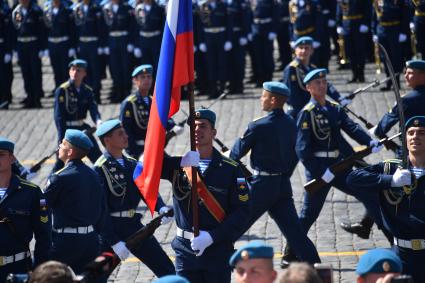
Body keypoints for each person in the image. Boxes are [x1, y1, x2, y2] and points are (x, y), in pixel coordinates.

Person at [283, 69, 383, 265]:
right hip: (320, 170)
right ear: (308, 88)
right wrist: (322, 172)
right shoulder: (307, 113)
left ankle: (366, 225)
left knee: (369, 192)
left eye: (324, 82)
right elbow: (302, 150)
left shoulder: (334, 108)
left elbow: (351, 127)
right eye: (317, 83)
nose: (322, 85)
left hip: (340, 166)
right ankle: (289, 252)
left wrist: (369, 142)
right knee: (307, 215)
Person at [230, 81, 321, 267]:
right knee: (295, 233)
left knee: (236, 224)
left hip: (261, 186)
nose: (261, 100)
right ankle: (317, 268)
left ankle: (214, 257)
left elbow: (235, 154)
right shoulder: (291, 124)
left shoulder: (258, 126)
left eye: (263, 96)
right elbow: (297, 154)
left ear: (272, 100)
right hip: (282, 185)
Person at [160, 109, 250, 282]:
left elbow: (242, 212)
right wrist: (168, 137)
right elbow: (147, 164)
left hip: (217, 250)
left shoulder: (231, 168)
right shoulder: (178, 166)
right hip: (185, 251)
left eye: (202, 126)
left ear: (213, 132)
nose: (196, 131)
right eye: (193, 127)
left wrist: (212, 237)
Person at [342, 59, 425, 237]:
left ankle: (389, 226)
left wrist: (378, 132)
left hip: (410, 150)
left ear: (422, 76)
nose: (406, 75)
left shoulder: (408, 99)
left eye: (410, 72)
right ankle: (366, 223)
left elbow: (384, 126)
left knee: (392, 187)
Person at [347, 116, 425, 282]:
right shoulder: (391, 168)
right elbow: (353, 179)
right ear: (404, 139)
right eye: (410, 133)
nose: (415, 136)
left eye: (421, 133)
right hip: (400, 255)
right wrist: (390, 180)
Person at [93, 119, 175, 278]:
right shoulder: (99, 168)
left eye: (124, 132)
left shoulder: (132, 164)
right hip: (111, 228)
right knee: (97, 277)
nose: (126, 136)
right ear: (107, 140)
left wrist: (160, 207)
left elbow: (145, 188)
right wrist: (113, 241)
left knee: (166, 268)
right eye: (120, 134)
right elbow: (99, 210)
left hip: (133, 226)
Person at [44, 129, 105, 274]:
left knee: (48, 276)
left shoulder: (59, 177)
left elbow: (43, 207)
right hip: (91, 239)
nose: (59, 146)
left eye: (63, 144)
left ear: (70, 152)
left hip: (65, 241)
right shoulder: (93, 174)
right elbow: (102, 208)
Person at [0, 137, 51, 282]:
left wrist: (40, 269)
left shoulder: (31, 192)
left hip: (19, 267)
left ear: (12, 158)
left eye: (1, 154)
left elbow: (44, 235)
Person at [120, 64, 182, 159]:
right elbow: (126, 131)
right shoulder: (129, 103)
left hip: (153, 147)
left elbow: (163, 117)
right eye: (142, 77)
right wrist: (135, 153)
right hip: (138, 149)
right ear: (135, 80)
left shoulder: (153, 101)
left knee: (172, 165)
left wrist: (173, 126)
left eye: (149, 77)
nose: (146, 80)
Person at [53, 59, 102, 172]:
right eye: (72, 69)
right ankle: (50, 185)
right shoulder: (62, 90)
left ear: (84, 73)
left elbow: (93, 109)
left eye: (78, 70)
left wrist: (98, 121)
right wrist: (62, 137)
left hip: (82, 128)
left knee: (98, 158)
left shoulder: (87, 91)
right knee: (61, 163)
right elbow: (58, 117)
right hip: (68, 130)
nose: (75, 72)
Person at [282, 36, 349, 120]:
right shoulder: (292, 69)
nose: (303, 51)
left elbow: (325, 84)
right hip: (298, 111)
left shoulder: (312, 68)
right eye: (300, 48)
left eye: (307, 48)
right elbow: (291, 95)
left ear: (312, 51)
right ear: (295, 51)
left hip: (311, 109)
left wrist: (339, 98)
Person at [11, 0, 47, 108]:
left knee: (35, 73)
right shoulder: (16, 11)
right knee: (25, 73)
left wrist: (42, 48)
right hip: (22, 45)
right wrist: (14, 49)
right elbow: (13, 30)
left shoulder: (36, 11)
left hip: (34, 45)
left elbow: (42, 30)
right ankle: (29, 97)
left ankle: (37, 99)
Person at [102, 0, 136, 102]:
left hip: (124, 40)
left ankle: (126, 92)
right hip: (112, 41)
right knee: (114, 68)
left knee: (126, 67)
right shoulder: (106, 8)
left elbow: (132, 26)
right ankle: (117, 92)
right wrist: (105, 44)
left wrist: (131, 42)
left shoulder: (127, 9)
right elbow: (102, 28)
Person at [336, 0, 371, 83]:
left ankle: (361, 74)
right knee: (350, 52)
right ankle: (354, 74)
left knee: (360, 51)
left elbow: (367, 9)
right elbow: (339, 10)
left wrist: (365, 23)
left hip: (358, 24)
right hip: (346, 26)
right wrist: (339, 24)